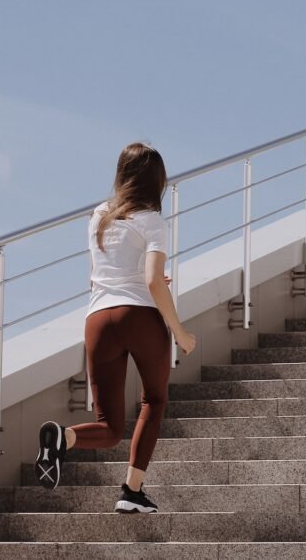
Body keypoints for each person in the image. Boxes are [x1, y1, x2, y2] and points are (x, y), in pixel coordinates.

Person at [33, 142, 197, 514]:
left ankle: (64, 437)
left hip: (98, 320)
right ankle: (132, 490)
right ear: (157, 183)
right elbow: (154, 282)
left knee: (108, 427)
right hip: (139, 317)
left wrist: (141, 280)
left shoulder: (98, 215)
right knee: (153, 401)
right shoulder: (153, 222)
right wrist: (181, 333)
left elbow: (104, 274)